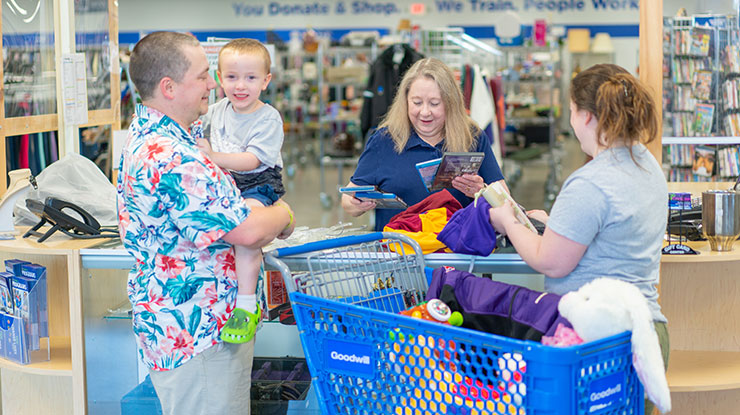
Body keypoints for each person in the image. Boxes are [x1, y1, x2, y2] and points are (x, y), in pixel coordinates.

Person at [117, 31, 294, 415]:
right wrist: (285, 213)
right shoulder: (173, 156)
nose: (213, 85)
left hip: (181, 323)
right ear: (169, 86)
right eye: (202, 76)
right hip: (199, 335)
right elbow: (248, 231)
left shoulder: (154, 136)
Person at [488, 64, 669, 415]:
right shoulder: (647, 165)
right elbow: (612, 232)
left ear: (587, 116)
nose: (571, 123)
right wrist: (554, 223)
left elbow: (549, 260)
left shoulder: (590, 183)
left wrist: (509, 222)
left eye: (572, 112)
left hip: (599, 343)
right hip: (647, 334)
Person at [342, 57, 506, 231]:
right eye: (417, 102)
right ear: (405, 101)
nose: (425, 112)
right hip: (399, 253)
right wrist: (356, 204)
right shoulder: (383, 140)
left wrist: (483, 191)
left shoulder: (472, 137)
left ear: (450, 103)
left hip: (458, 254)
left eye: (435, 103)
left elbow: (505, 201)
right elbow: (348, 201)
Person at [196, 38, 284, 345]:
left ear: (265, 81)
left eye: (250, 78)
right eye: (232, 77)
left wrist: (212, 157)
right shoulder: (216, 111)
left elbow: (254, 160)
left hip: (258, 183)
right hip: (225, 182)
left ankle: (247, 305)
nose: (240, 86)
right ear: (219, 78)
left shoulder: (268, 117)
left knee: (246, 233)